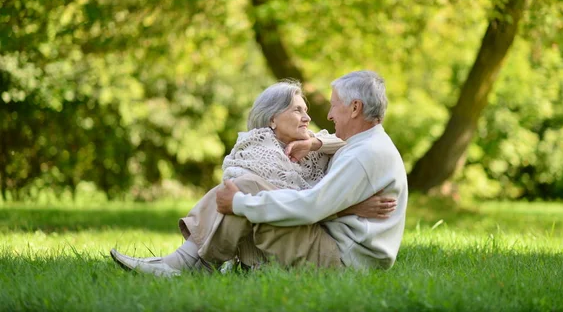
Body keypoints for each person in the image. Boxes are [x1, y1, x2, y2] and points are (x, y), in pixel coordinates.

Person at [110, 78, 397, 276]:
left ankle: (187, 264)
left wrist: (315, 144)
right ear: (272, 118)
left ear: (356, 108)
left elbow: (309, 199)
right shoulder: (255, 150)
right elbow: (302, 201)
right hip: (331, 241)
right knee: (243, 189)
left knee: (244, 194)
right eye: (298, 110)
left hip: (338, 252)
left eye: (308, 111)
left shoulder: (324, 149)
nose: (315, 117)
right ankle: (185, 263)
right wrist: (347, 208)